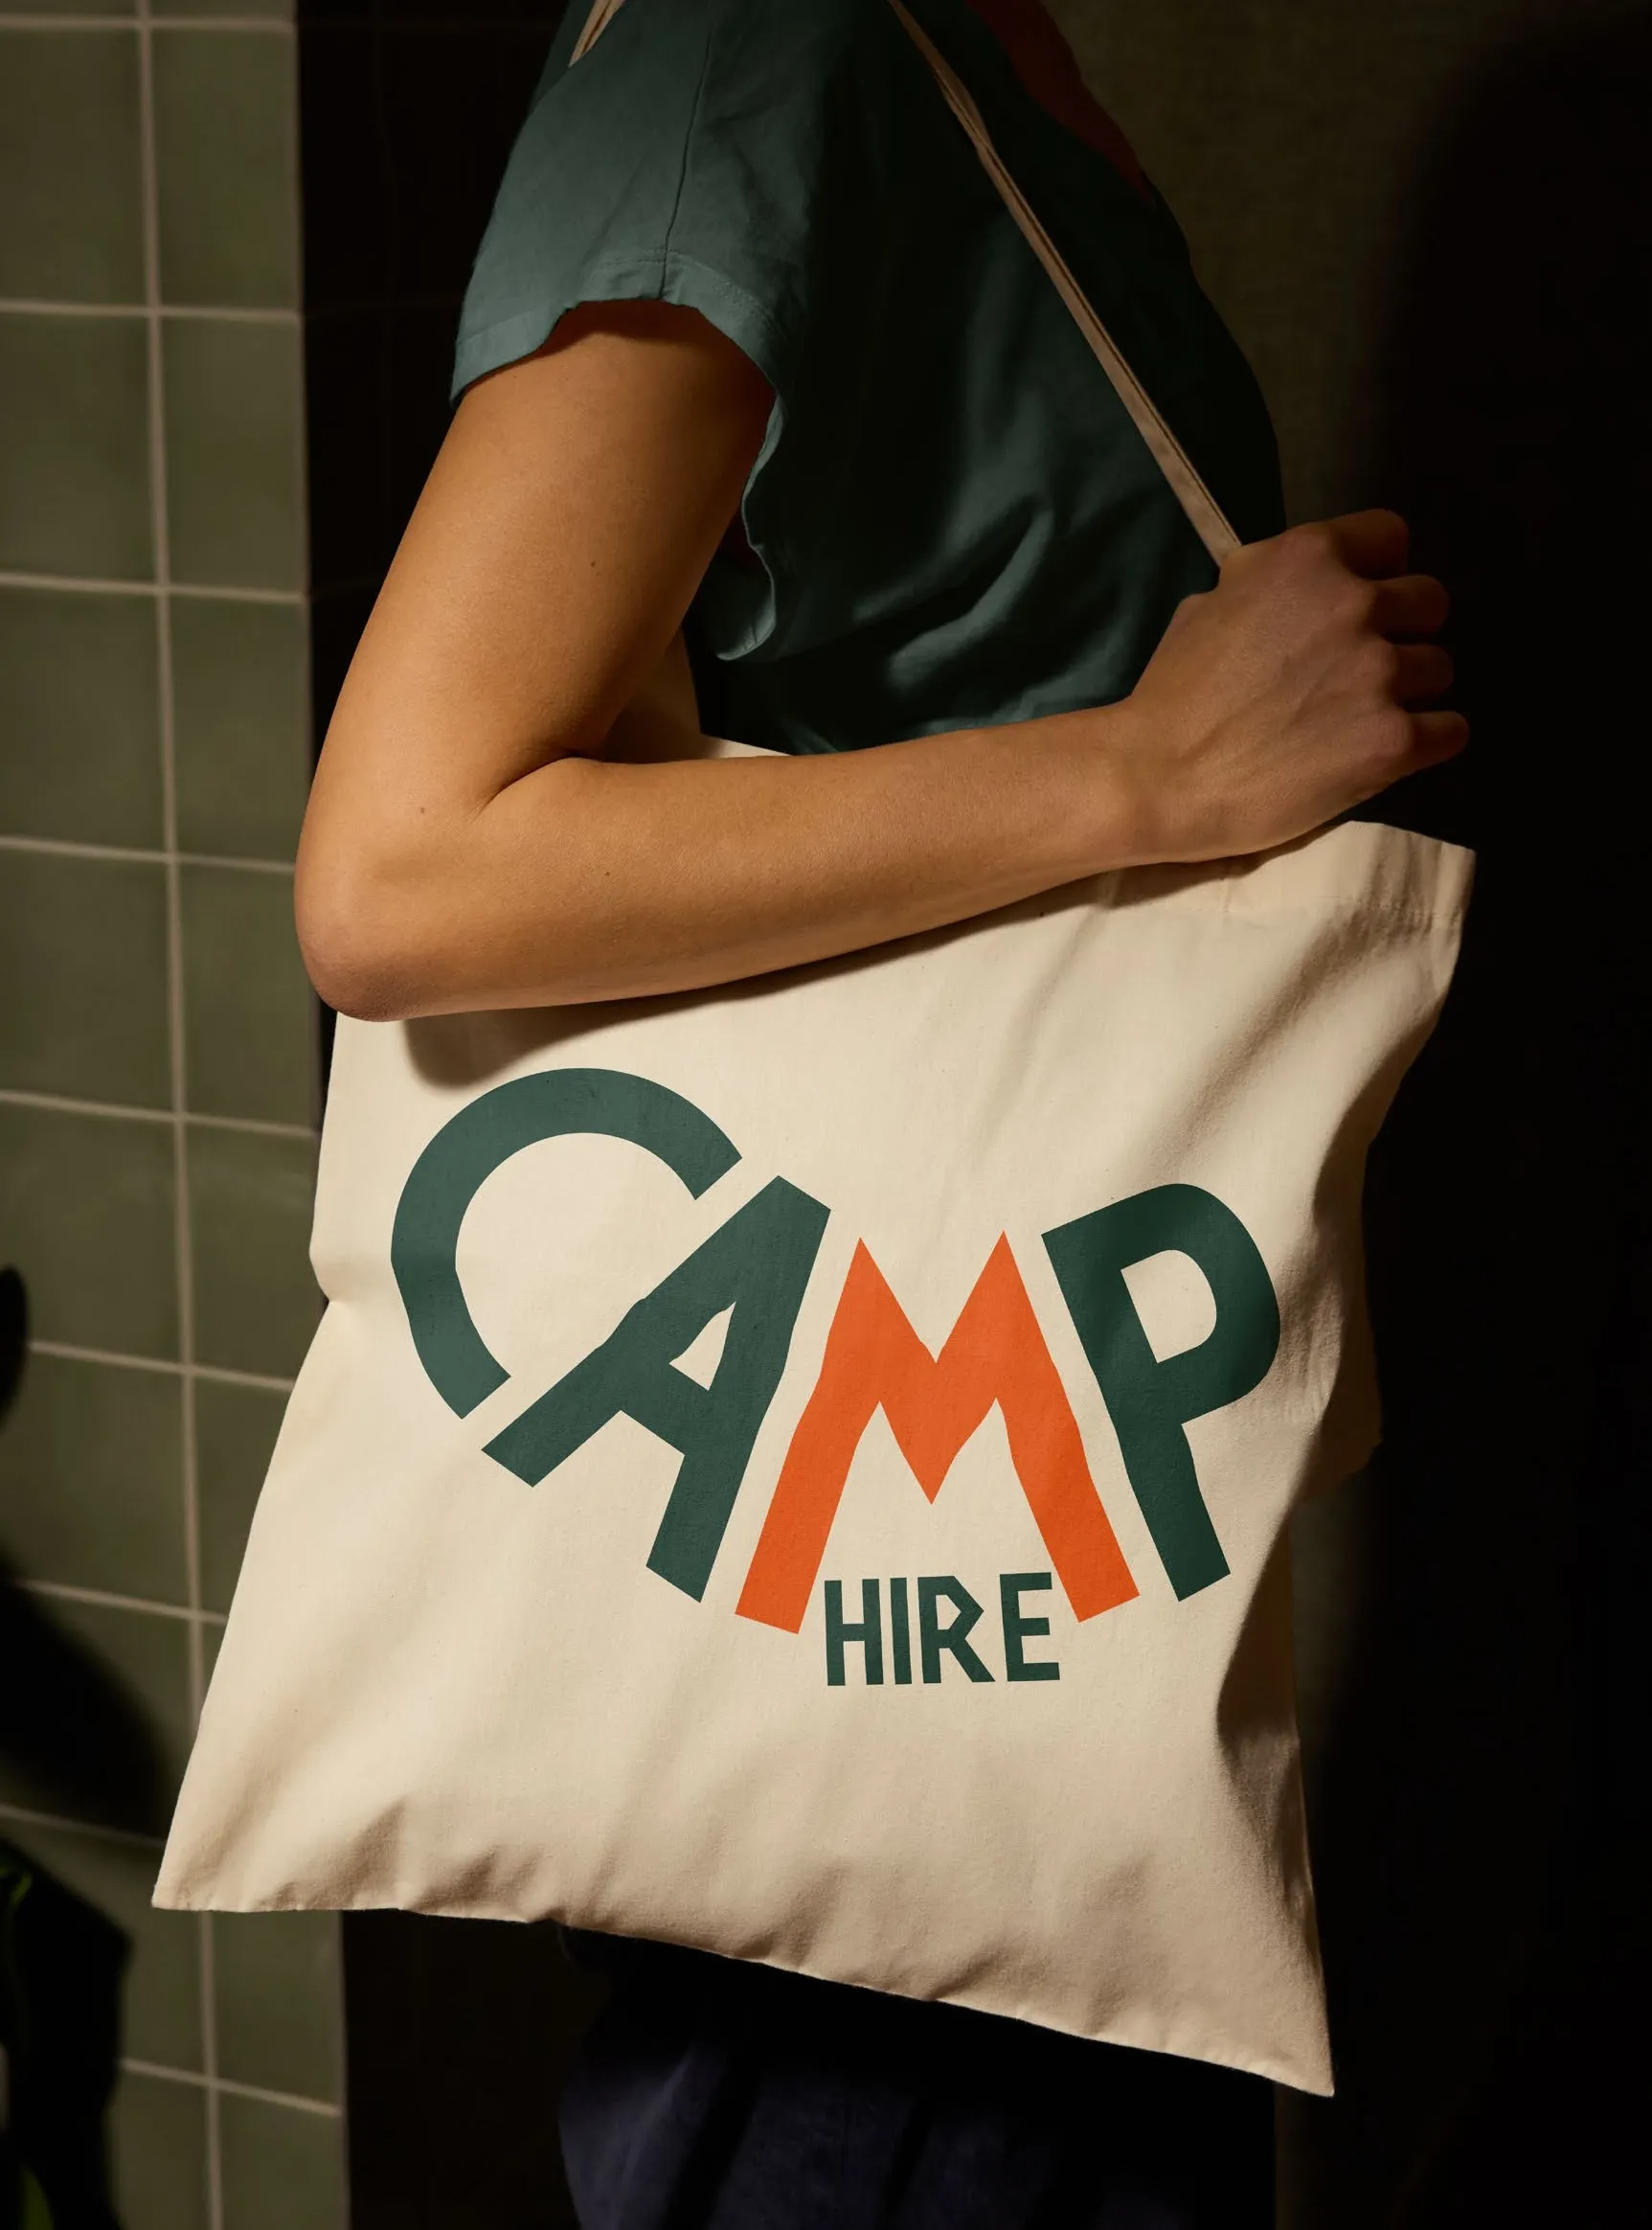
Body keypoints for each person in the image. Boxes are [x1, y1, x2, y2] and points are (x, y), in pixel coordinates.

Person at [292, 0, 1458, 2219]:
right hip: (875, 1520)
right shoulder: (754, 60)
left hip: (1025, 1495)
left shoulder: (937, 52)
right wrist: (1152, 773)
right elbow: (397, 873)